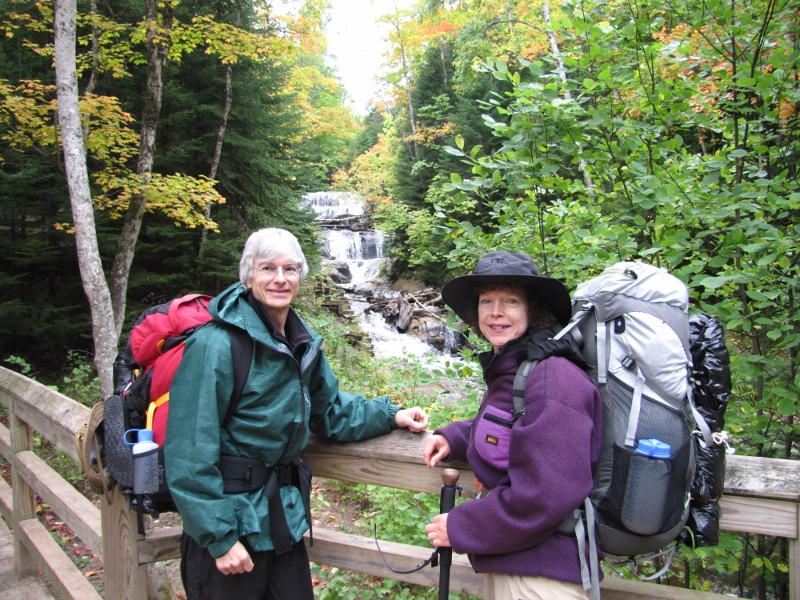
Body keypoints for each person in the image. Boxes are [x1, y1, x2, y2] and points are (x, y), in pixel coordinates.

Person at [165, 227, 429, 600]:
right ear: (248, 275)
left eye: (290, 269)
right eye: (268, 268)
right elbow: (189, 449)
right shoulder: (215, 345)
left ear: (300, 277)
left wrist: (390, 415)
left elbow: (331, 411)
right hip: (231, 523)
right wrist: (219, 537)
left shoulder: (301, 342)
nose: (280, 279)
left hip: (282, 518)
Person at [423, 251, 603, 600]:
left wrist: (463, 526)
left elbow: (547, 494)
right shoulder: (519, 367)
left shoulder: (554, 378)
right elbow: (515, 425)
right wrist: (457, 436)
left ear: (532, 310)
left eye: (510, 301)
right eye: (486, 301)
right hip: (515, 563)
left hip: (541, 579)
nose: (496, 312)